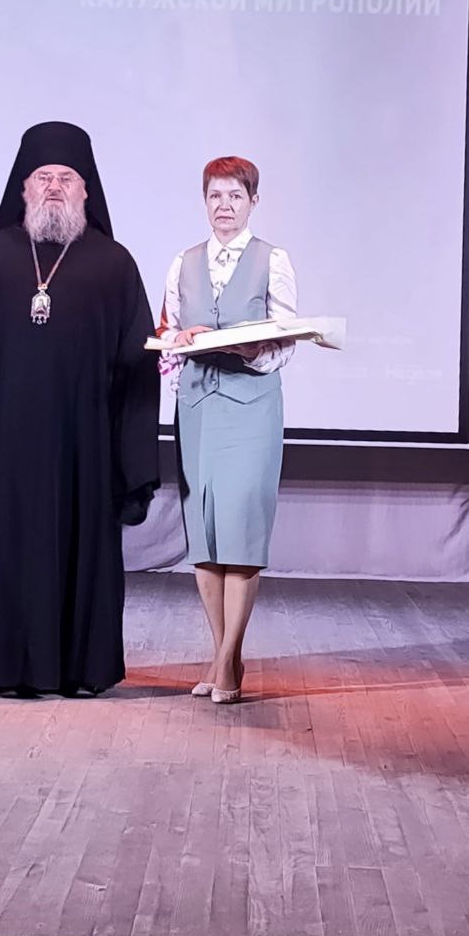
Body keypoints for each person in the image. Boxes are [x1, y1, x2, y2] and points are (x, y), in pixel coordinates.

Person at [0, 121, 159, 698]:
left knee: (82, 553)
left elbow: (137, 364)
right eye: (43, 177)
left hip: (85, 450)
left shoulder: (114, 264)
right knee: (9, 552)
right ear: (23, 188)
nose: (54, 187)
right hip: (3, 450)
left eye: (66, 178)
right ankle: (11, 669)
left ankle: (81, 670)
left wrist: (130, 458)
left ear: (86, 191)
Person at [157, 157, 297, 704]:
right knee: (207, 537)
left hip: (251, 407)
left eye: (235, 196)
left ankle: (224, 664)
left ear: (253, 202)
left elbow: (286, 342)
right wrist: (179, 339)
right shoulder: (183, 263)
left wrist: (250, 349)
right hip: (197, 407)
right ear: (204, 201)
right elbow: (166, 338)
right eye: (215, 195)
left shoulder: (272, 260)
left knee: (242, 531)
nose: (224, 206)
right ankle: (226, 659)